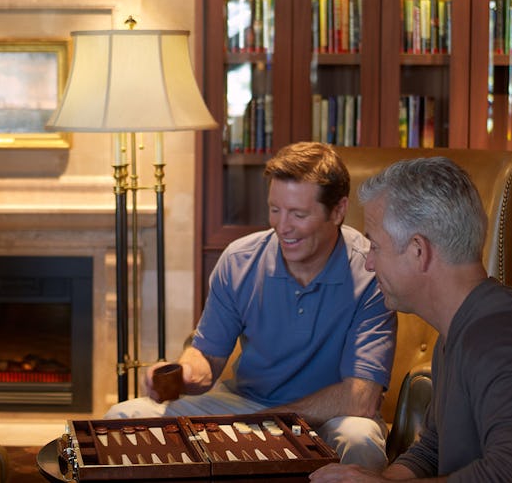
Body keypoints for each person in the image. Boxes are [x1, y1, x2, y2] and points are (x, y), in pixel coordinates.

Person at [310, 157, 512, 482]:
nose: (369, 264)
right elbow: (432, 450)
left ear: (418, 251)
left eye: (375, 247)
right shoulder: (460, 328)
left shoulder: (505, 338)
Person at [104, 142, 397, 469]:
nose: (282, 227)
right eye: (275, 209)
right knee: (123, 418)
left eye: (298, 214)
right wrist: (184, 373)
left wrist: (265, 422)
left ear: (338, 211)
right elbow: (208, 356)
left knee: (361, 441)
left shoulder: (370, 270)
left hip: (332, 416)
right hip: (246, 404)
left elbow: (361, 396)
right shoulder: (239, 261)